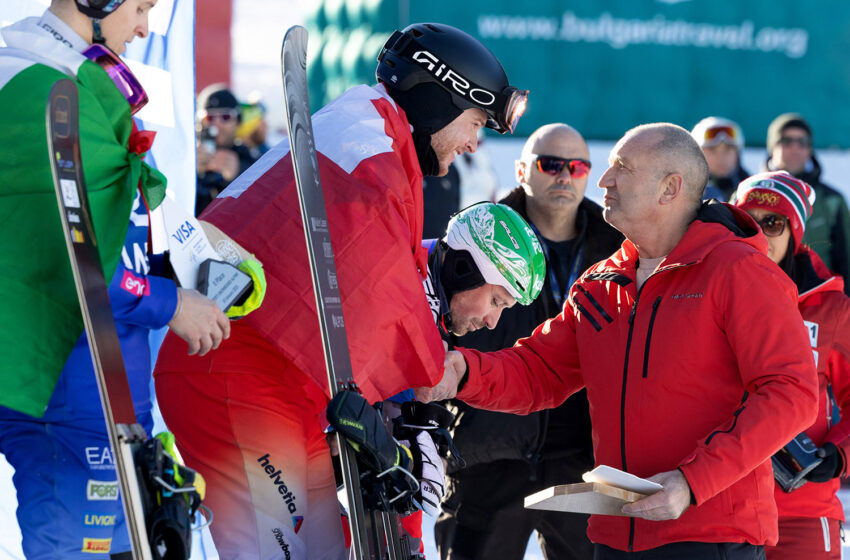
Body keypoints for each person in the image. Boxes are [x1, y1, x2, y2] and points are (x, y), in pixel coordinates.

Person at [153, 22, 528, 560]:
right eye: (473, 122)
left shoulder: (387, 146)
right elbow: (377, 288)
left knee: (326, 551)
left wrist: (397, 420)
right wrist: (422, 383)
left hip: (289, 390)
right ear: (437, 99)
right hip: (237, 377)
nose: (474, 142)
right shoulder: (367, 145)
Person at [420, 123, 820, 560]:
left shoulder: (739, 271)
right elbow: (539, 371)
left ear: (670, 188)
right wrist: (462, 371)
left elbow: (792, 393)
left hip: (710, 536)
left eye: (621, 169)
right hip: (614, 538)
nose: (603, 181)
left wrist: (693, 482)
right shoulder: (601, 282)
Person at [0, 0, 232, 558]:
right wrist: (174, 304)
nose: (146, 27)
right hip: (70, 389)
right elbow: (77, 262)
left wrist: (209, 257)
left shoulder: (72, 79)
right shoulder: (46, 87)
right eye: (139, 7)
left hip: (104, 395)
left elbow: (126, 222)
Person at [434, 123, 623, 560]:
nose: (564, 175)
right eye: (550, 163)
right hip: (488, 453)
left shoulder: (618, 249)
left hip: (582, 459)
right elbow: (438, 331)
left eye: (576, 166)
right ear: (522, 169)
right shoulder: (481, 238)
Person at [732, 171, 850, 560]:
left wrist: (838, 455)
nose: (760, 234)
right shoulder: (706, 297)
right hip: (721, 507)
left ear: (794, 232)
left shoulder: (830, 308)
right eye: (747, 222)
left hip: (803, 509)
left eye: (773, 223)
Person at [764, 113, 850, 295]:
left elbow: (846, 259)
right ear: (772, 147)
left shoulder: (831, 200)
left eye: (802, 142)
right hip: (764, 297)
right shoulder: (750, 196)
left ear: (810, 149)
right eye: (786, 141)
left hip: (818, 302)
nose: (795, 148)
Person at [195, 83, 258, 213]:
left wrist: (239, 174)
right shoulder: (186, 157)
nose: (217, 123)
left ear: (238, 121)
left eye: (225, 117)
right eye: (209, 117)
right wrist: (191, 173)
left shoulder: (250, 159)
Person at [690, 116, 750, 201]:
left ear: (737, 154)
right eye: (712, 149)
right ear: (697, 155)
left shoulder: (752, 191)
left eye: (728, 149)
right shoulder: (684, 192)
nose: (721, 157)